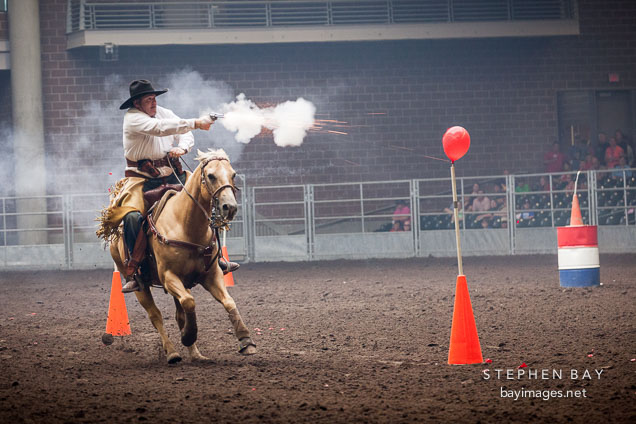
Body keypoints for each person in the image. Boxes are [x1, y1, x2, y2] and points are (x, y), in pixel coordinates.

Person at [110, 79, 237, 293]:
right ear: (137, 103)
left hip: (173, 175)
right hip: (141, 180)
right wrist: (197, 122)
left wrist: (183, 148)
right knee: (132, 217)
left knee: (204, 201)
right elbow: (160, 129)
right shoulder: (133, 119)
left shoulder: (164, 112)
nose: (154, 103)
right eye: (148, 100)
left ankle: (217, 258)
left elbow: (182, 132)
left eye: (154, 99)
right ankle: (136, 270)